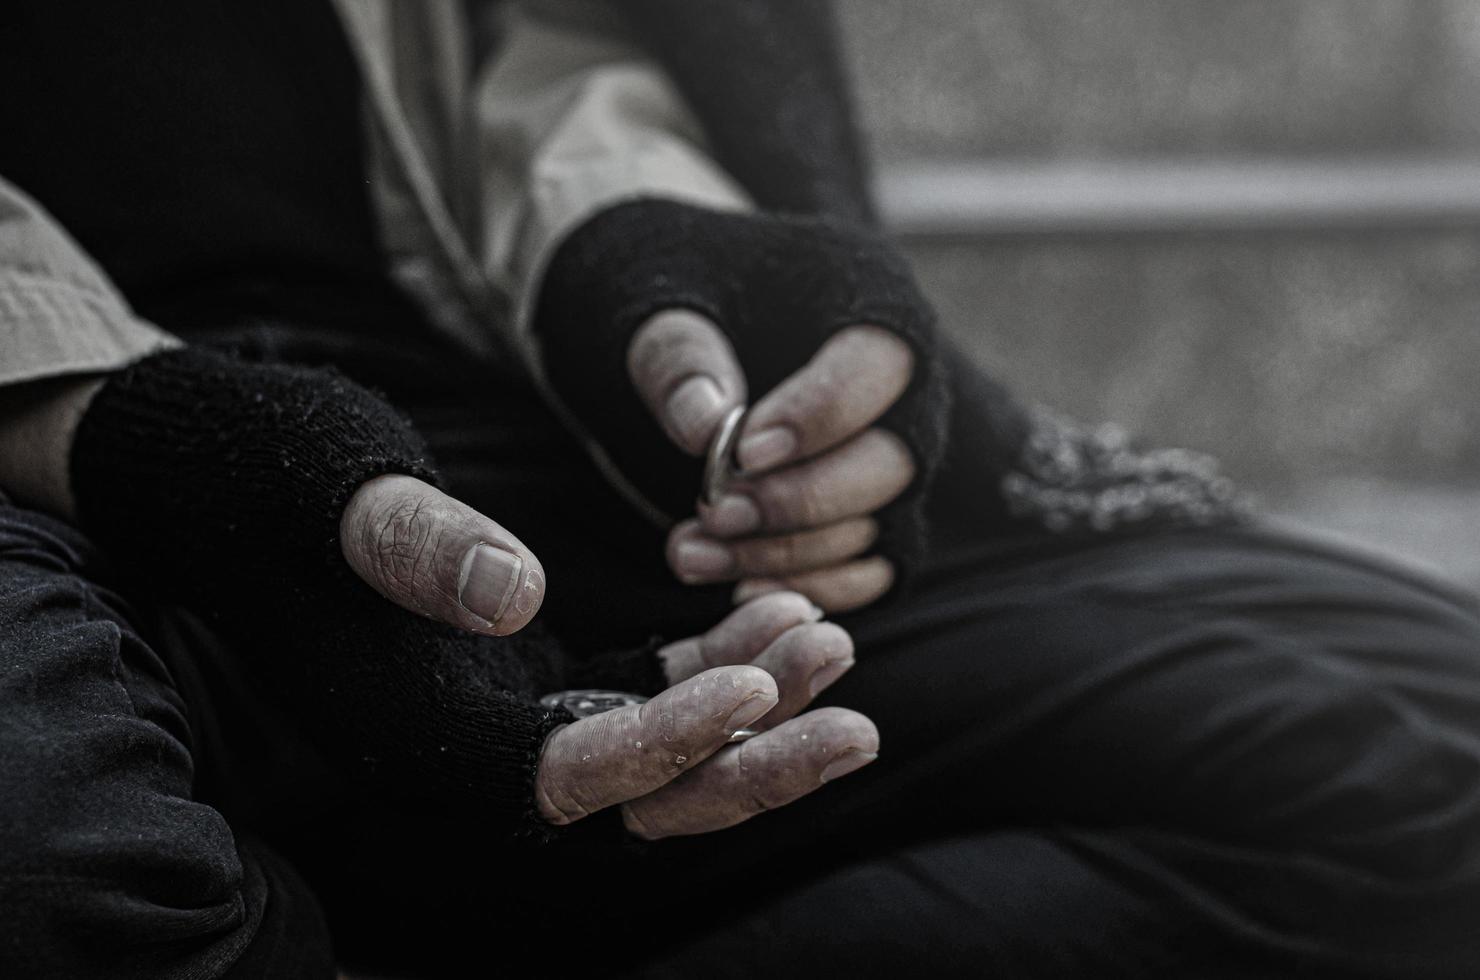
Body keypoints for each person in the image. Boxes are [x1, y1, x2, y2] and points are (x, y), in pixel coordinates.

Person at [1, 2, 1478, 977]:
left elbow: (547, 45)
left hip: (531, 429)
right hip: (60, 495)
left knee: (1428, 734)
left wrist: (633, 250)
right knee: (60, 861)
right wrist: (110, 423)